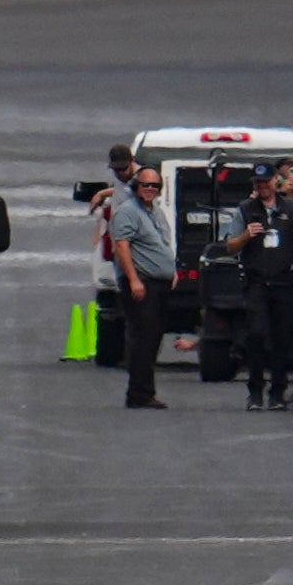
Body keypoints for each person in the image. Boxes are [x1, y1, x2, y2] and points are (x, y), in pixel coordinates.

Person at [222, 163, 293, 411]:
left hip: (284, 282)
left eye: (265, 181)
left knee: (282, 338)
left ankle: (278, 392)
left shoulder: (290, 208)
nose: (262, 186)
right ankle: (255, 391)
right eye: (257, 183)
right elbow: (229, 246)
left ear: (275, 181)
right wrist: (246, 236)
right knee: (257, 334)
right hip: (257, 282)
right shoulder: (245, 209)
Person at [111, 166, 177, 409]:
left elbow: (162, 244)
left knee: (154, 337)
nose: (150, 189)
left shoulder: (156, 212)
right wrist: (133, 280)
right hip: (142, 283)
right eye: (145, 184)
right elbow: (122, 246)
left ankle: (146, 391)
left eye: (155, 185)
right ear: (136, 186)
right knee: (143, 338)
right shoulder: (128, 211)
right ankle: (138, 394)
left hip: (160, 283)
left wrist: (172, 271)